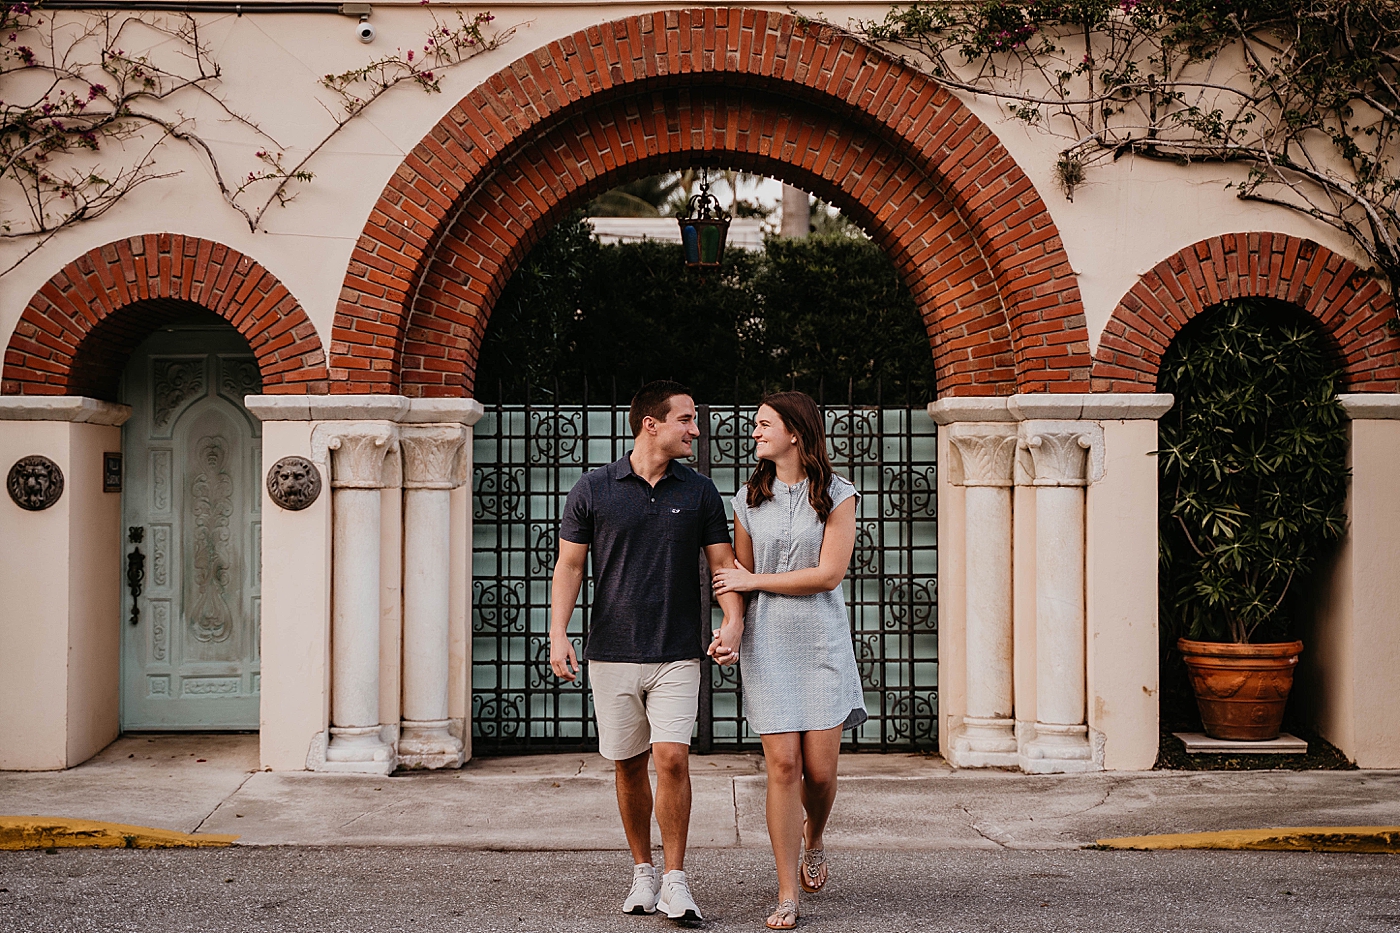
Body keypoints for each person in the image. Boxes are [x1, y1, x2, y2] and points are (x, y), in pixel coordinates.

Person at [549, 380, 744, 922]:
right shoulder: (593, 488)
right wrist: (558, 632)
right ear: (651, 424)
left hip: (678, 649)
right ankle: (642, 872)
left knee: (672, 759)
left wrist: (732, 622)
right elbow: (570, 565)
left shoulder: (700, 491)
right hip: (611, 651)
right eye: (686, 419)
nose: (696, 430)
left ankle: (676, 881)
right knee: (629, 765)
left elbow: (723, 564)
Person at [709, 391, 866, 931]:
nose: (754, 432)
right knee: (783, 767)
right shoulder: (747, 499)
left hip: (821, 642)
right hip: (768, 644)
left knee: (819, 774)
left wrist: (755, 579)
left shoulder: (838, 494)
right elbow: (734, 582)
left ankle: (813, 835)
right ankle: (786, 892)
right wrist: (731, 626)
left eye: (763, 424)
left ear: (795, 433)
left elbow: (828, 574)